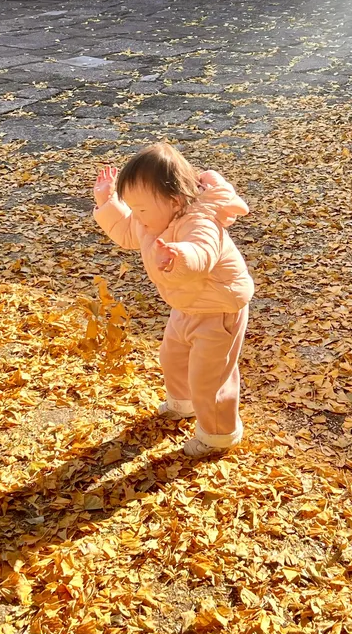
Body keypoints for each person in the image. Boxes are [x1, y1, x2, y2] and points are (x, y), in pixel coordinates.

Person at [93, 143, 254, 457]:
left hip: (220, 309)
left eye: (141, 209)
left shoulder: (201, 221)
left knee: (210, 377)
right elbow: (126, 230)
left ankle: (219, 434)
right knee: (173, 357)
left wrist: (179, 257)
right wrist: (107, 201)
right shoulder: (149, 220)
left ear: (175, 200)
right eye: (132, 207)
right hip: (187, 304)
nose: (137, 216)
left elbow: (202, 252)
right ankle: (184, 404)